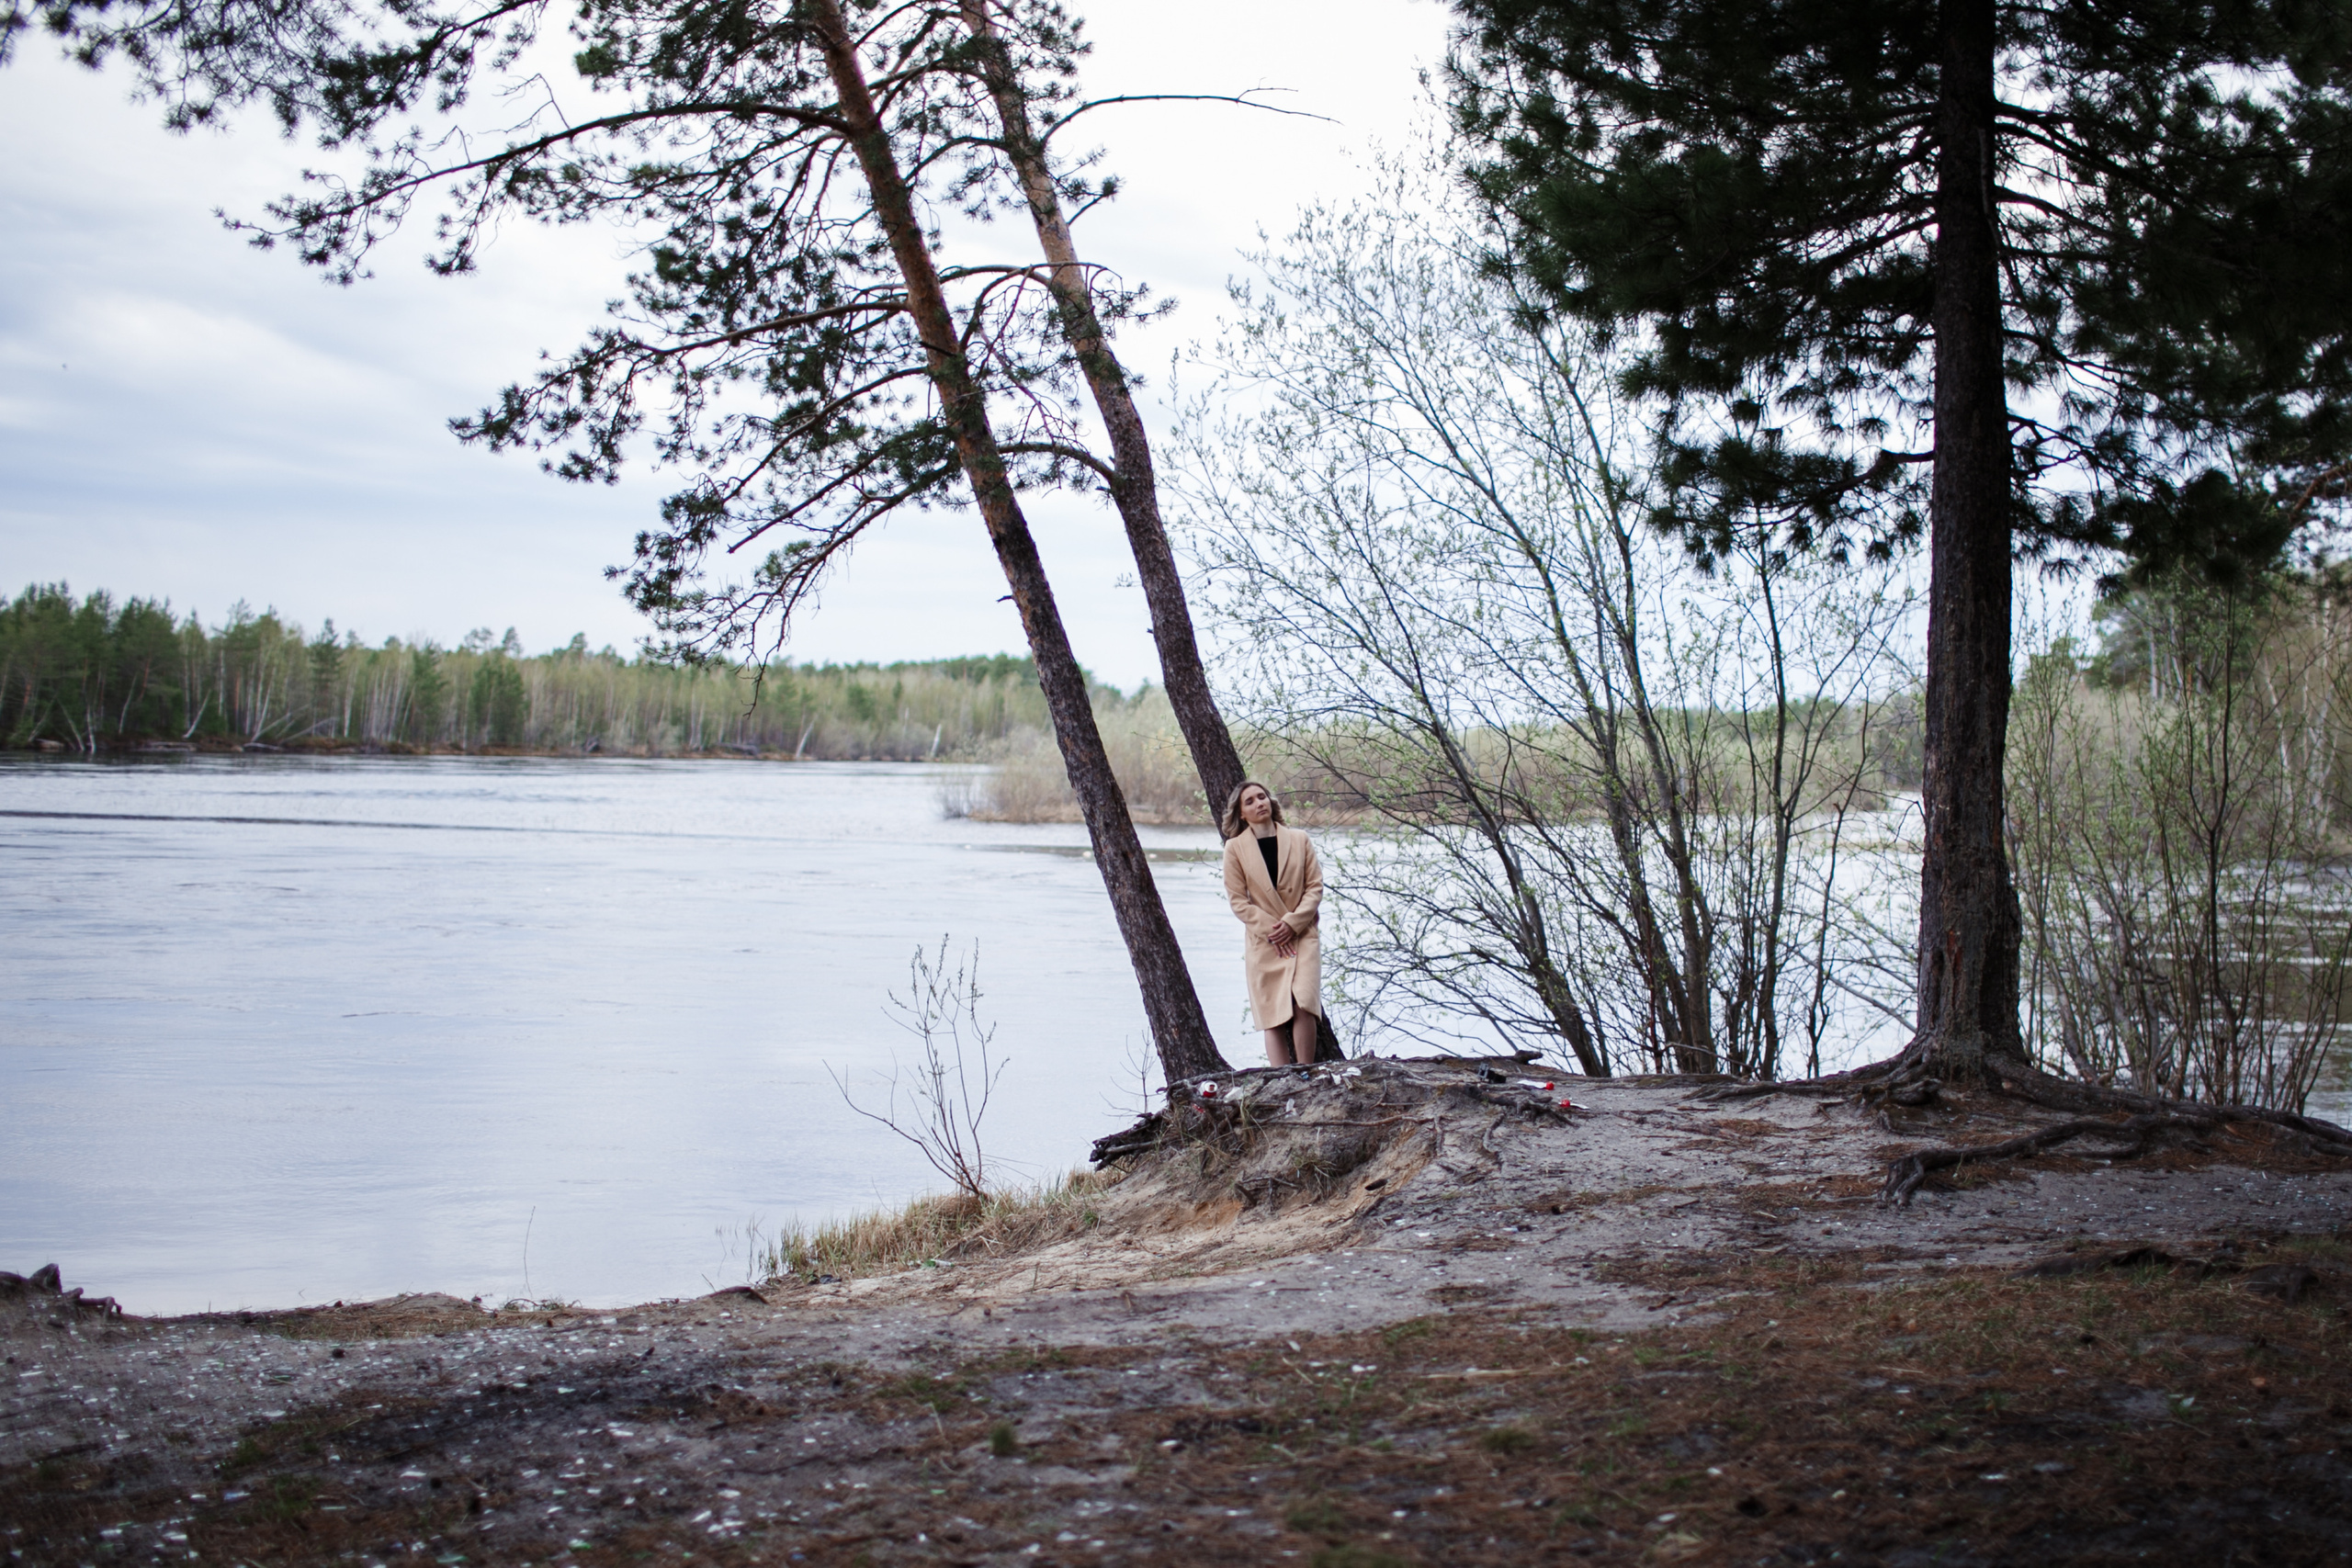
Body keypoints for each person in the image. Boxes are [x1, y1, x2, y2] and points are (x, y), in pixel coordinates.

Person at [1220, 779, 1327, 1065]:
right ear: (1242, 813)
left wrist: (1292, 924)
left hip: (1303, 934)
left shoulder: (1300, 839)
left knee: (1304, 1002)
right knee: (1273, 1014)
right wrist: (1275, 931)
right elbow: (1238, 901)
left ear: (1270, 801)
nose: (1259, 803)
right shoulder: (1234, 848)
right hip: (1265, 940)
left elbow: (1315, 887)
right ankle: (1281, 1078)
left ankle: (1306, 1072)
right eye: (1250, 801)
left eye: (1262, 796)